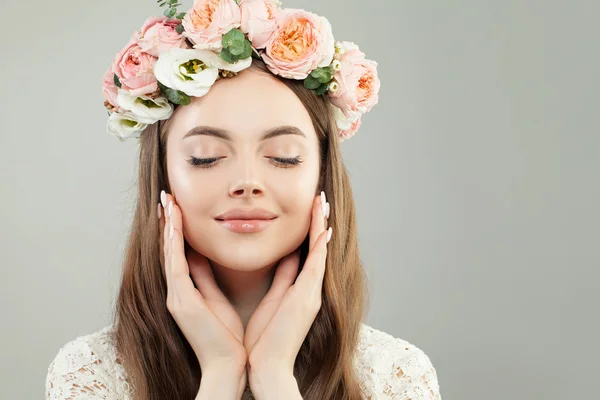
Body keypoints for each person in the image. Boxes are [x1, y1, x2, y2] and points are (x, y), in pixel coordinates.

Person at [45, 1, 441, 399]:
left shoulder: (395, 376)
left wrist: (274, 377)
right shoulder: (90, 374)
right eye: (206, 157)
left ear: (323, 175)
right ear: (162, 176)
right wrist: (220, 374)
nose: (247, 182)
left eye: (284, 156)